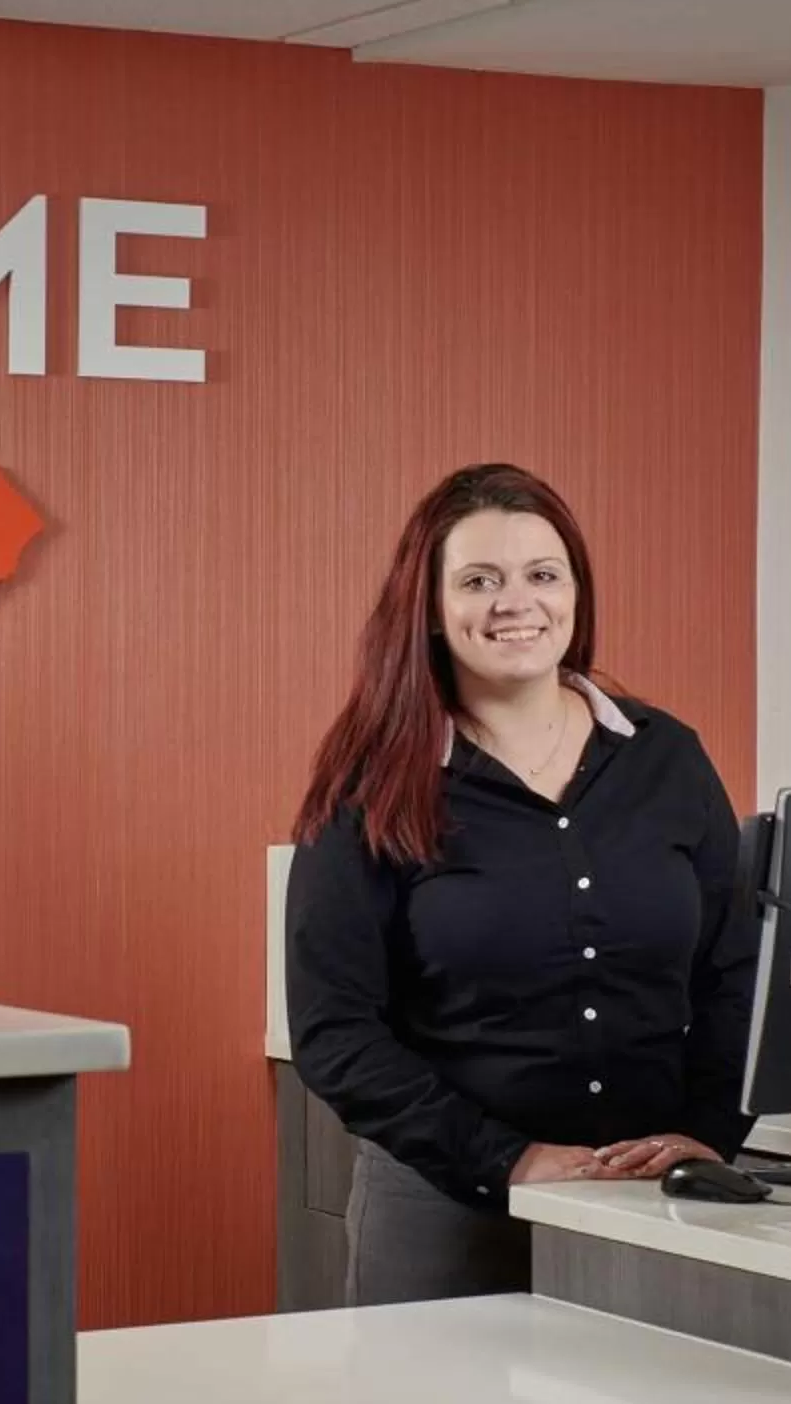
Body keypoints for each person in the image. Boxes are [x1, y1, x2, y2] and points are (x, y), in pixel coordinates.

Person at [286, 463, 762, 1305]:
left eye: (543, 575)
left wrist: (708, 1133)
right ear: (430, 609)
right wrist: (507, 1159)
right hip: (446, 1207)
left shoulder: (668, 757)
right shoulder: (372, 784)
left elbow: (734, 973)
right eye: (480, 581)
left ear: (576, 593)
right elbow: (335, 1032)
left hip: (651, 1204)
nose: (517, 603)